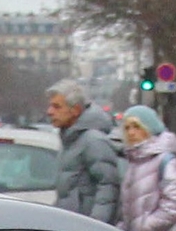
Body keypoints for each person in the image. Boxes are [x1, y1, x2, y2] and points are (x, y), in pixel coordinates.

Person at [115, 105, 176, 231]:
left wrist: (143, 227)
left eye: (137, 126)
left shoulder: (165, 160)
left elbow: (174, 205)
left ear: (149, 128)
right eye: (127, 128)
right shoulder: (134, 161)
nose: (131, 132)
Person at [46, 79, 121, 222]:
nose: (49, 112)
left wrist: (97, 226)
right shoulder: (70, 140)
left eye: (56, 107)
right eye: (50, 106)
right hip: (74, 225)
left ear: (75, 110)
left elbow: (108, 186)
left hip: (85, 229)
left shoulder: (92, 140)